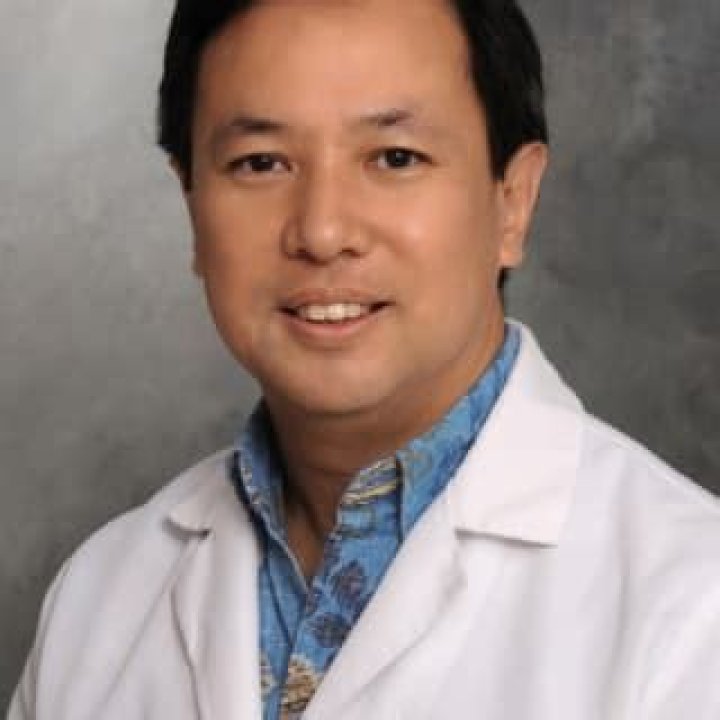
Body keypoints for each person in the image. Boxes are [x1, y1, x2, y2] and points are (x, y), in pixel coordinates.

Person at [8, 1, 720, 718]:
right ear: (191, 204)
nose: (322, 232)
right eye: (261, 163)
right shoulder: (99, 602)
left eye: (394, 158)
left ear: (514, 201)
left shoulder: (691, 606)